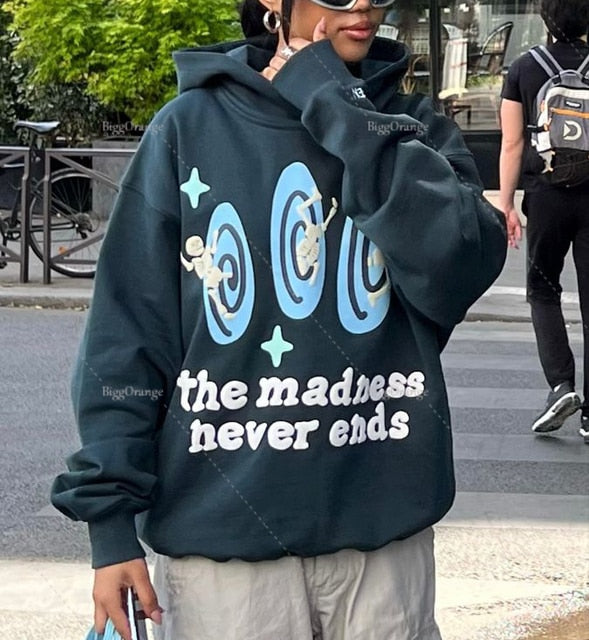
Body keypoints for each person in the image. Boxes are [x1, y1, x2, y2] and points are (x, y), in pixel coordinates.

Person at [51, 1, 507, 638]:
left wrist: (338, 106)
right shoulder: (188, 128)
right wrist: (110, 528)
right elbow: (126, 335)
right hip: (223, 548)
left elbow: (459, 262)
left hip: (383, 534)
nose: (363, 4)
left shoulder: (412, 126)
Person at [499, 0, 589, 442]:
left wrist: (506, 203)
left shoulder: (523, 67)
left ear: (545, 19)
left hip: (546, 194)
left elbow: (512, 143)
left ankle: (561, 385)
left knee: (543, 290)